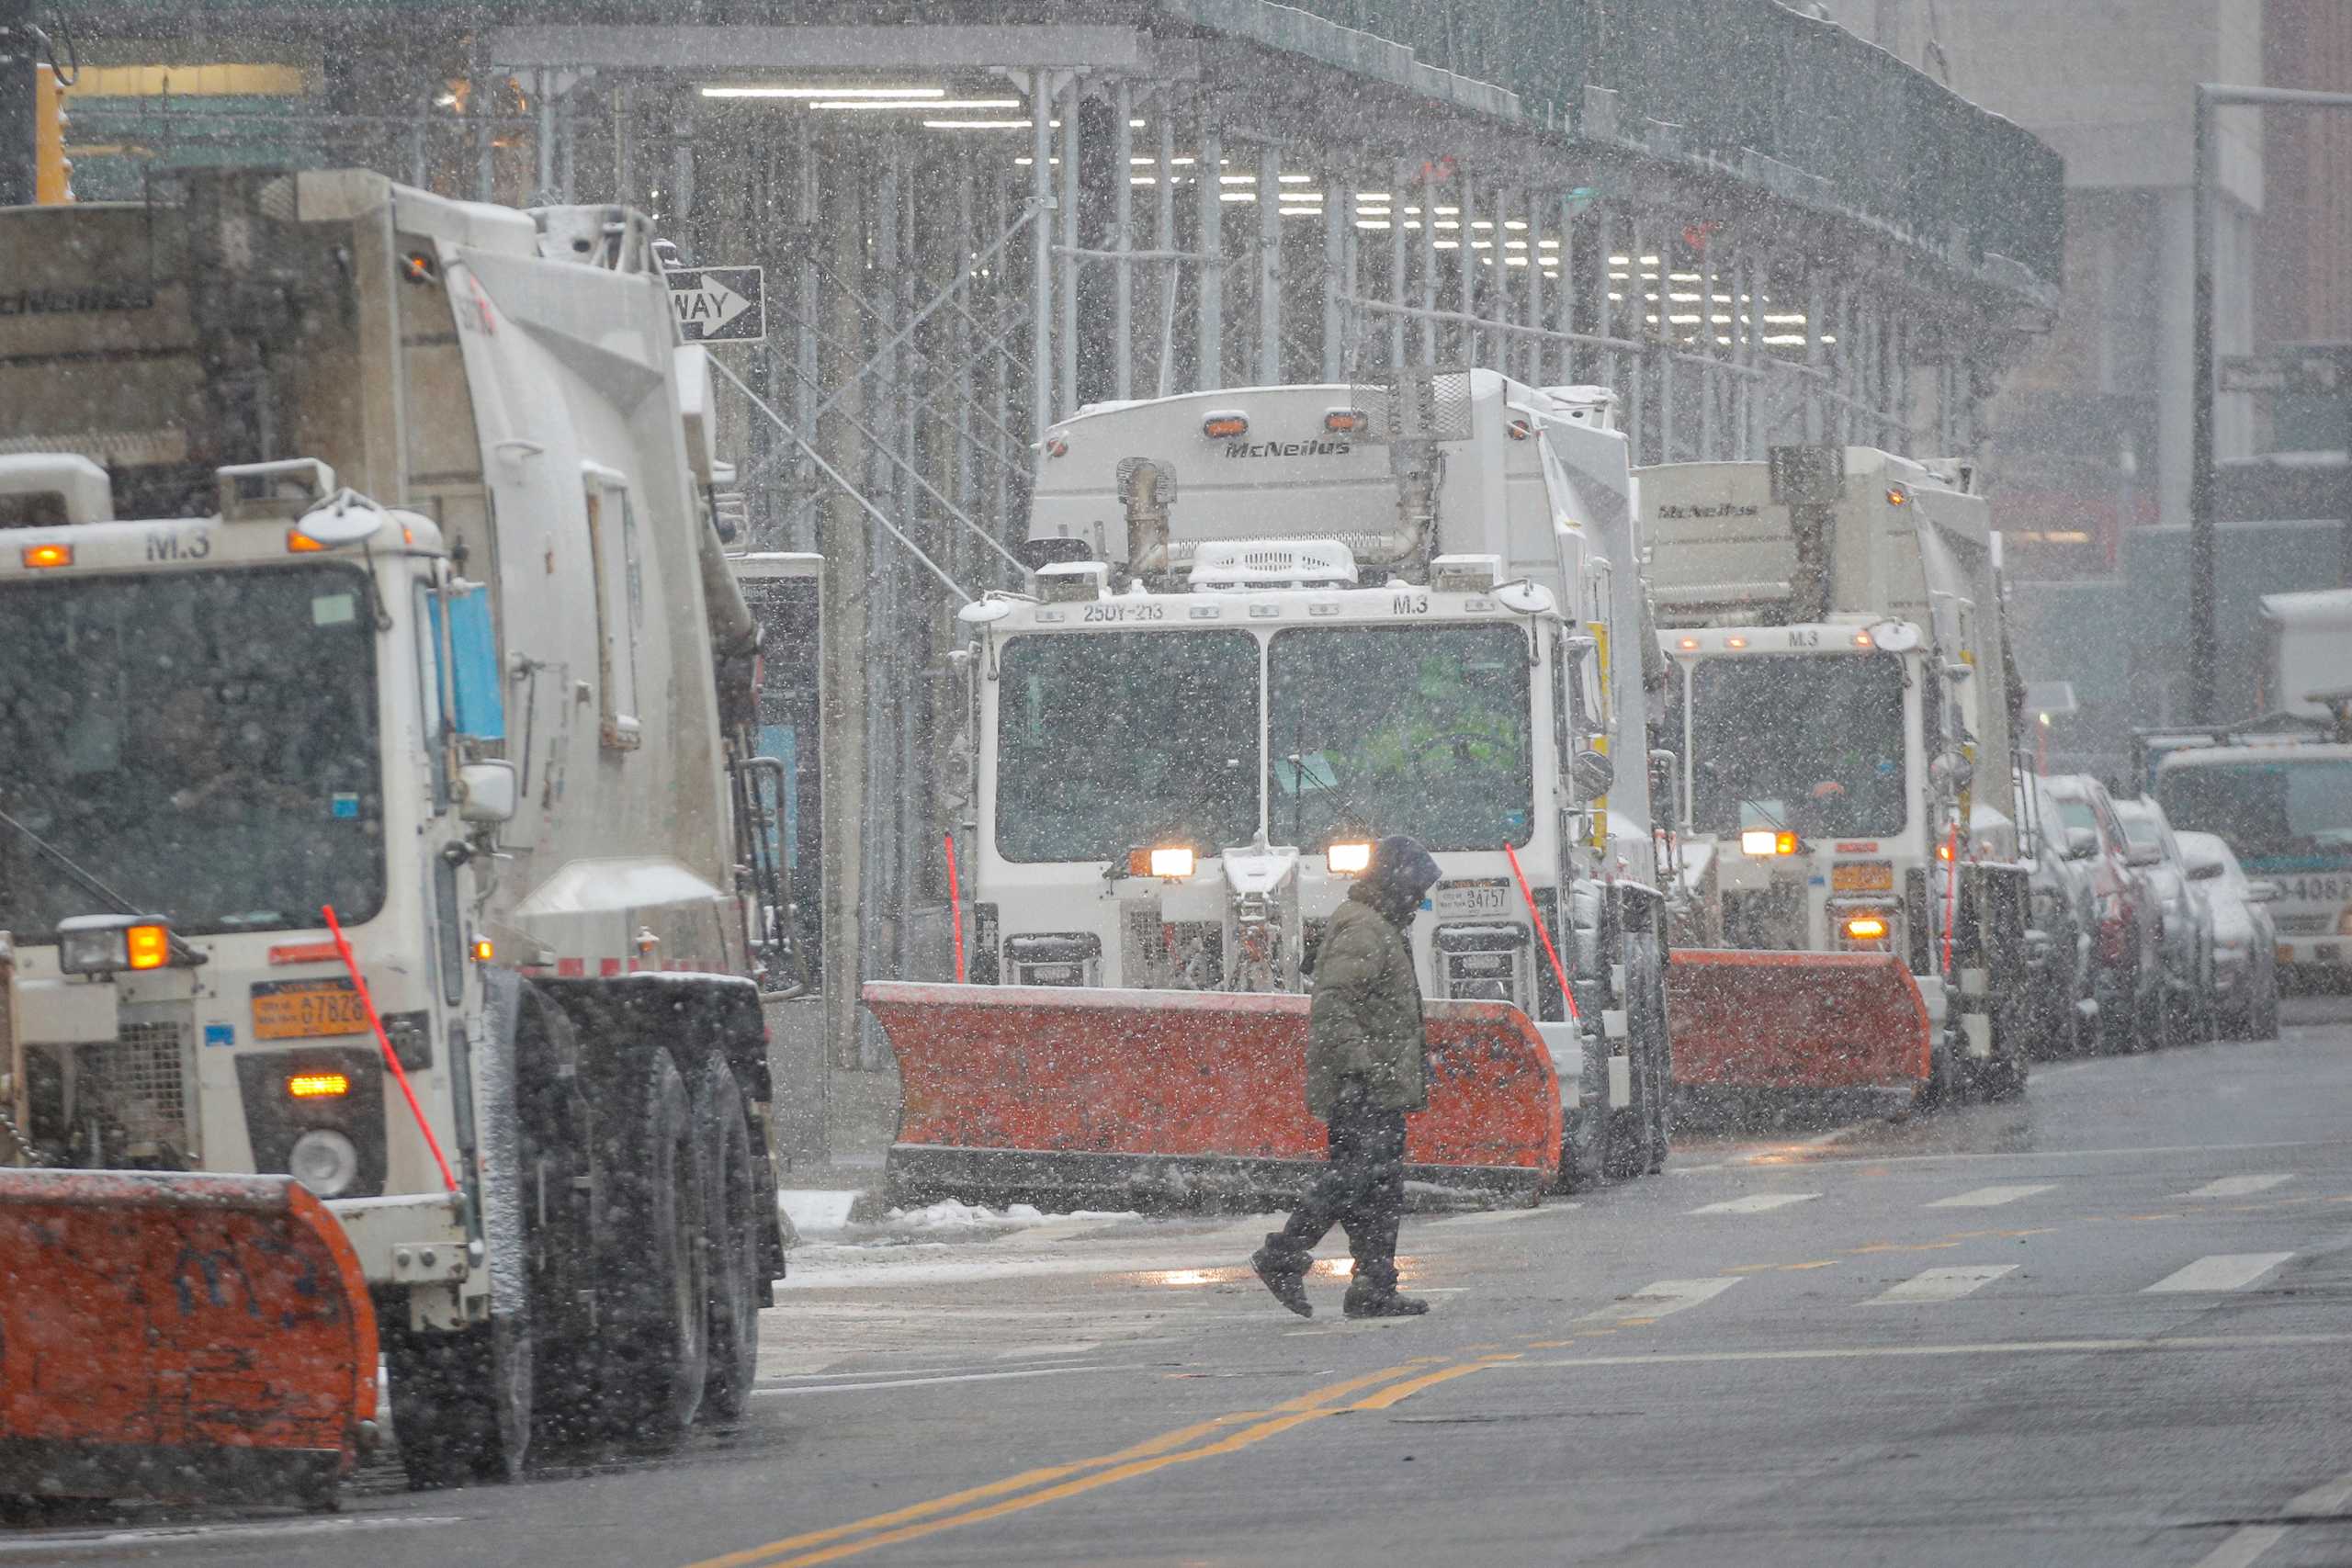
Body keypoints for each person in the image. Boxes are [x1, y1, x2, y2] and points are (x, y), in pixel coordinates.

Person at [1250, 834, 1444, 1319]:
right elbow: (1334, 1003)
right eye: (1417, 893)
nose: (1420, 904)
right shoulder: (1364, 928)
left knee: (1377, 1186)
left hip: (1377, 1081)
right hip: (1361, 1084)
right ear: (1396, 884)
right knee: (1356, 1178)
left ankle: (1374, 1284)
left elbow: (1379, 1009)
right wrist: (1361, 1069)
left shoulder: (1378, 924)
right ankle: (1283, 1255)